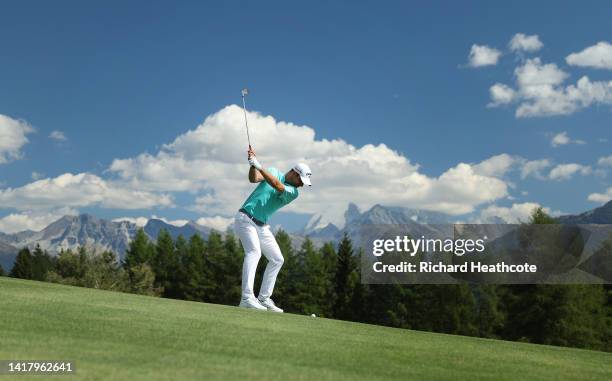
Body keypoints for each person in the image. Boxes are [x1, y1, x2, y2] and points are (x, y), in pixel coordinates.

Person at [234, 146, 312, 312]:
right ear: (294, 174)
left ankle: (263, 299)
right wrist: (252, 164)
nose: (302, 186)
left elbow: (276, 185)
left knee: (277, 259)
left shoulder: (293, 192)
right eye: (301, 181)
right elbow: (254, 179)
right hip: (245, 218)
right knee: (254, 253)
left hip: (262, 226)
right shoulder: (273, 171)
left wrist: (259, 165)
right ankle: (247, 297)